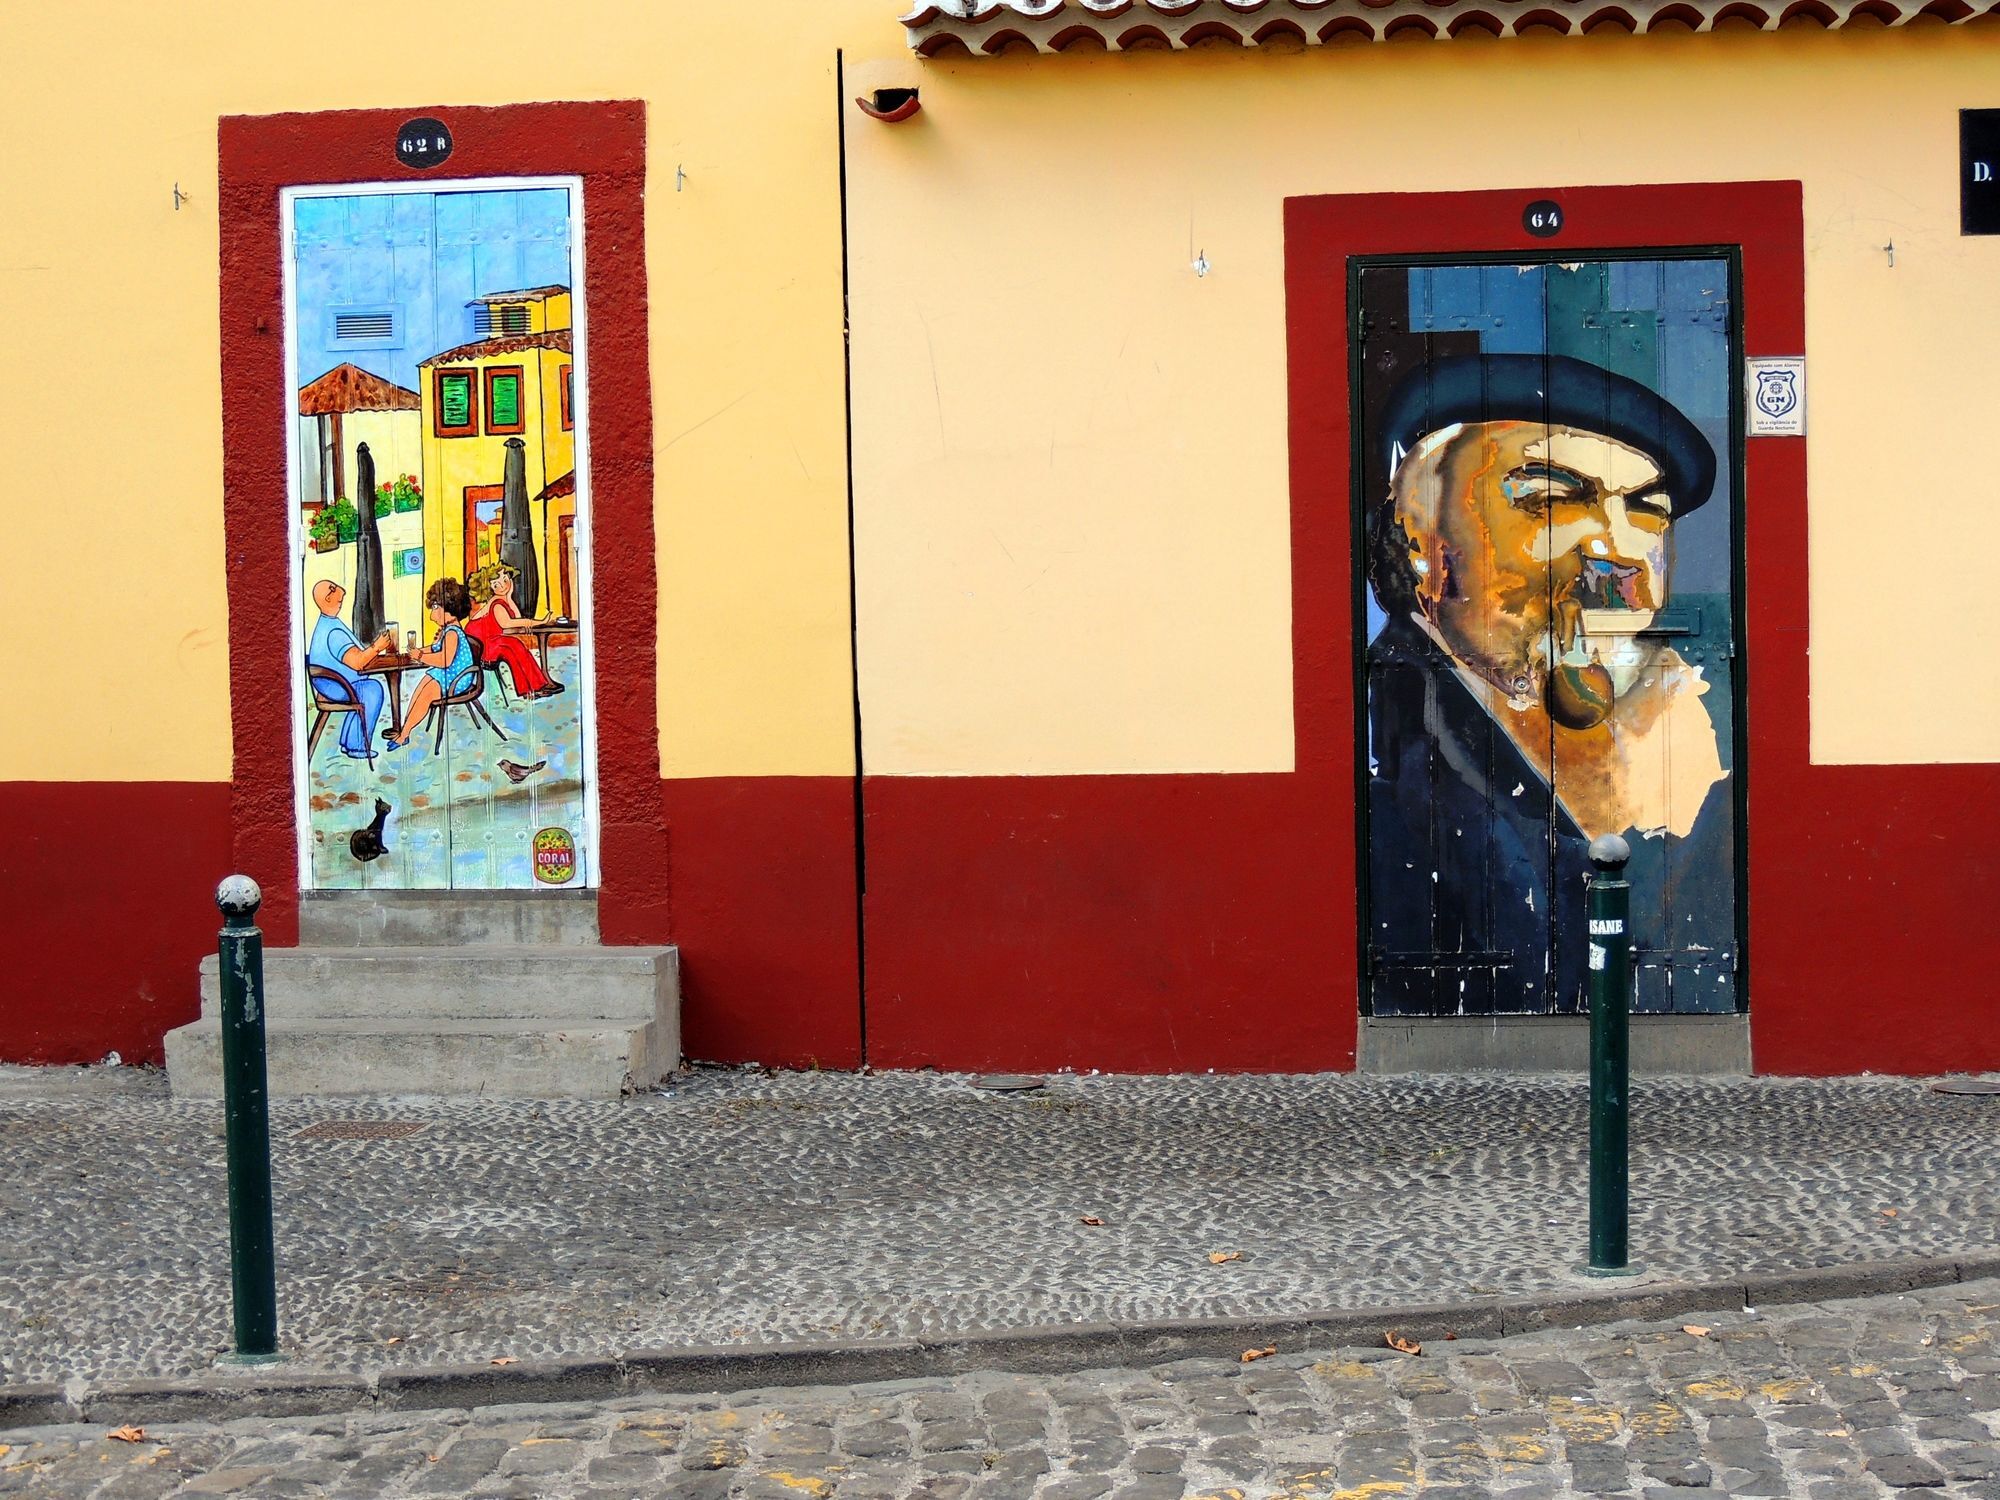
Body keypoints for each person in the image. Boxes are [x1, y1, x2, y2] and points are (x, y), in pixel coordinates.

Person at [1364, 352, 1732, 1013]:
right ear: (1417, 536)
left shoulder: (1695, 732)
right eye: (1551, 498)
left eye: (1648, 509)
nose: (1617, 552)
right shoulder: (1380, 757)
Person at [305, 579, 393, 760]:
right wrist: (377, 647)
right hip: (336, 686)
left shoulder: (328, 623)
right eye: (337, 595)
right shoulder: (333, 632)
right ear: (328, 598)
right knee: (372, 690)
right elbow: (357, 662)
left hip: (332, 683)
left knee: (366, 688)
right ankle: (356, 745)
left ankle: (348, 742)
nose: (342, 596)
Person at [386, 577, 478, 749]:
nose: (431, 614)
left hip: (457, 678)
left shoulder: (452, 633)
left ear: (449, 607)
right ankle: (405, 730)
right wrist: (419, 651)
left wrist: (420, 656)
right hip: (446, 675)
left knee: (426, 694)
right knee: (420, 689)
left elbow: (444, 660)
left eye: (436, 608)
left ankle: (404, 734)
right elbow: (435, 648)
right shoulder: (447, 630)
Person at [466, 564, 562, 698]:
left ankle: (535, 686)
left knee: (514, 647)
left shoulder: (501, 601)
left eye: (505, 580)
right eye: (496, 584)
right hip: (482, 647)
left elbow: (516, 617)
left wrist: (509, 596)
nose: (503, 585)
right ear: (490, 588)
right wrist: (540, 622)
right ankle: (535, 687)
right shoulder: (496, 604)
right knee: (513, 646)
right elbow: (509, 623)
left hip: (491, 643)